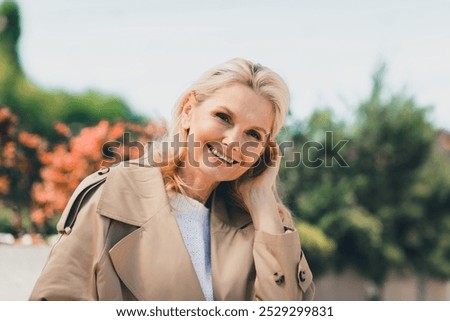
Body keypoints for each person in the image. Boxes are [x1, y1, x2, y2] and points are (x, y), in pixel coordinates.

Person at [29, 58, 314, 301]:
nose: (233, 141)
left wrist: (263, 201)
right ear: (189, 111)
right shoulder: (115, 194)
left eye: (254, 134)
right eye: (223, 117)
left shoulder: (266, 227)